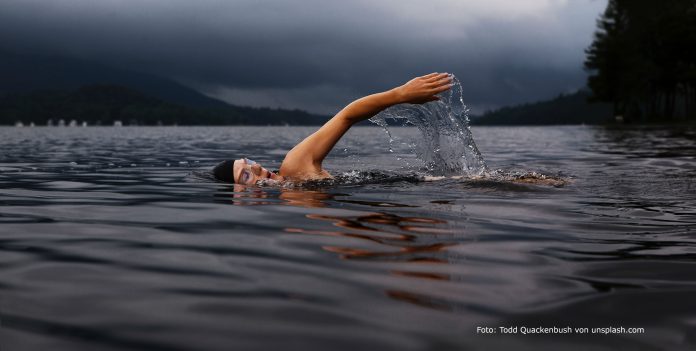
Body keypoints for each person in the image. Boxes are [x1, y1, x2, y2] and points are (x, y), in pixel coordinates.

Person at [212, 72, 453, 185]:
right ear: (239, 197)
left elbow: (346, 116)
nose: (256, 167)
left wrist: (400, 94)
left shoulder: (294, 168)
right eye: (245, 175)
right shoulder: (291, 202)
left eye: (248, 162)